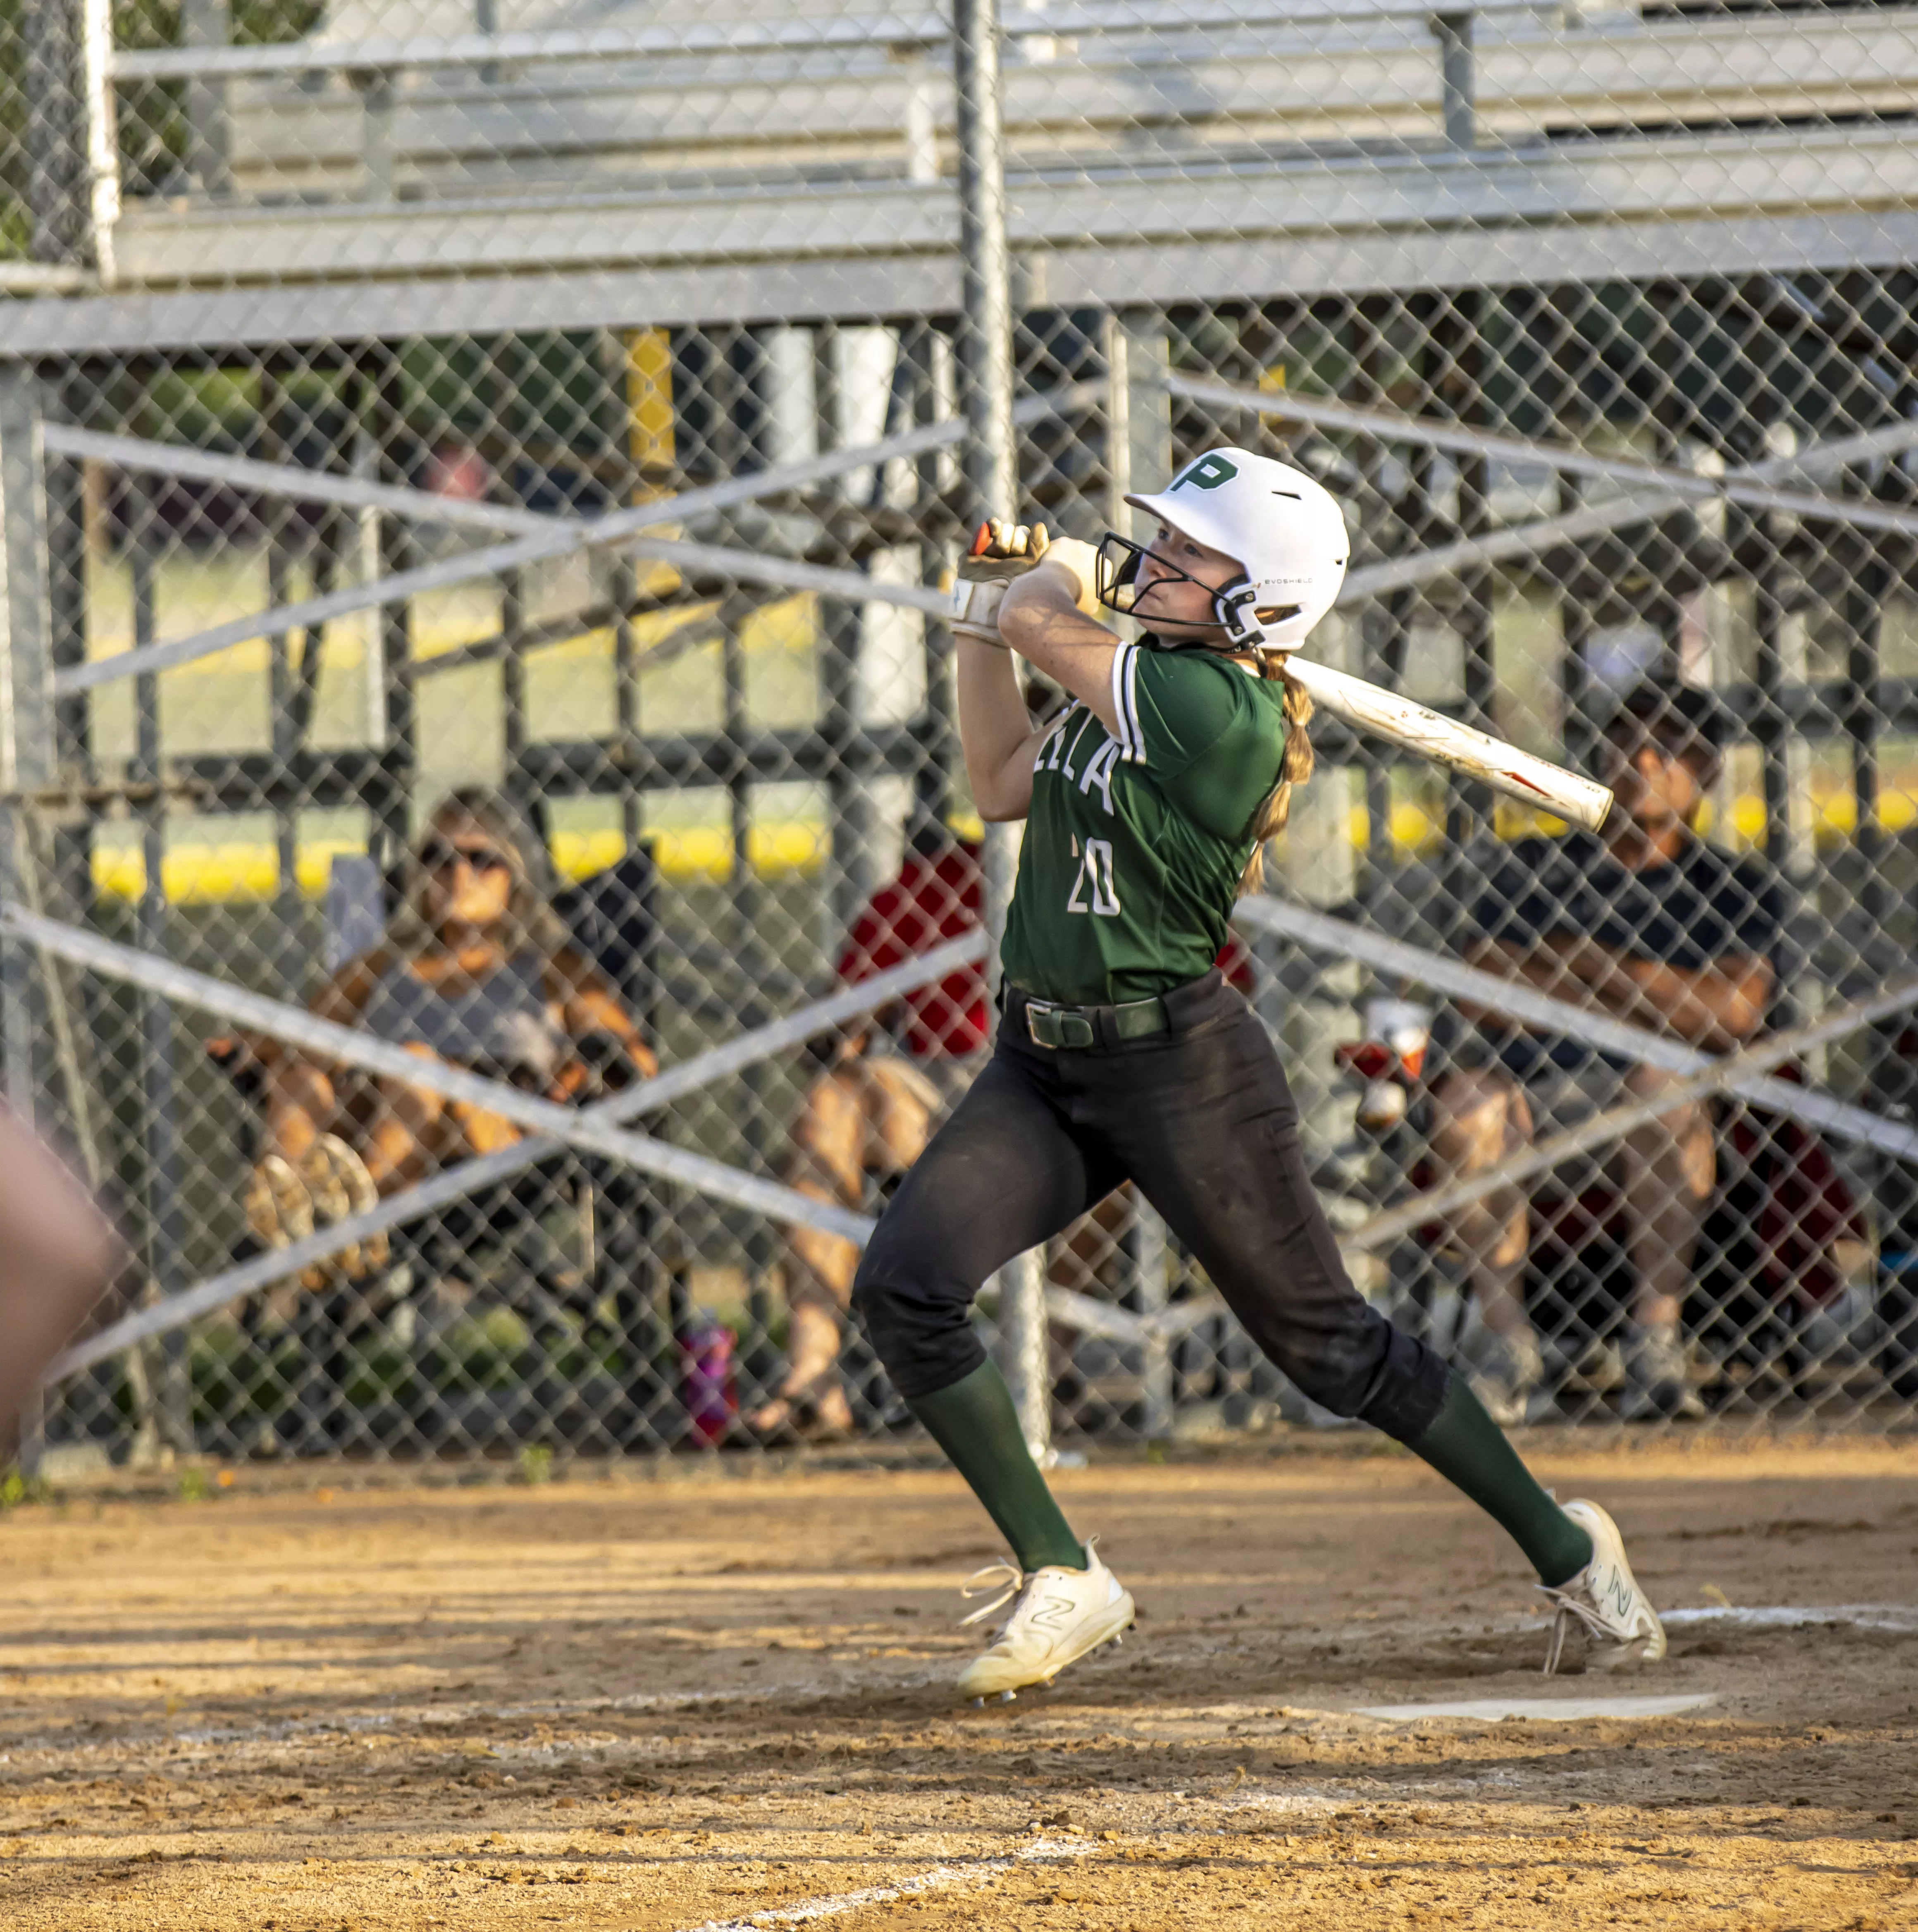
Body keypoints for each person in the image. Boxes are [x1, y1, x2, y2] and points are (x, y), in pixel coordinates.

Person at [849, 446, 1666, 1702]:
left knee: (1328, 1349)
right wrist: (981, 618)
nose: (1155, 561)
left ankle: (1568, 1548)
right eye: (1158, 545)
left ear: (1262, 599)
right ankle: (1061, 1570)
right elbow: (999, 780)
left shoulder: (1209, 709)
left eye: (1191, 554)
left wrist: (1043, 581)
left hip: (1178, 1068)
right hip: (1042, 1059)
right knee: (906, 1286)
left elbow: (1042, 615)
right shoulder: (1145, 680)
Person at [1426, 680, 1779, 1421]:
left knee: (1662, 1080)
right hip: (1533, 1091)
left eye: (1669, 746)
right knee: (1467, 1103)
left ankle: (1655, 1337)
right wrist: (1656, 995)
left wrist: (1587, 962)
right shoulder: (1535, 869)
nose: (1642, 760)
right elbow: (1483, 987)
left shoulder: (1730, 886)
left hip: (1653, 1105)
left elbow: (1735, 1011)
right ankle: (1507, 1345)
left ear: (1706, 769)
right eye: (1626, 743)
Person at [234, 787, 657, 1274]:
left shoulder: (550, 965)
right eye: (438, 857)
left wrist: (586, 1073)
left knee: (415, 1062)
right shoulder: (379, 964)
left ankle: (346, 1224)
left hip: (495, 1136)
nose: (457, 874)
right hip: (378, 1113)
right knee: (297, 1076)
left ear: (515, 875)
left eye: (480, 858)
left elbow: (633, 1056)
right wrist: (259, 1048)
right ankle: (289, 1205)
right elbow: (308, 1039)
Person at [749, 818, 990, 1439]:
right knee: (834, 1100)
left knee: (1114, 1100)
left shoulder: (1131, 857)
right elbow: (844, 1023)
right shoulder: (936, 882)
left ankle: (1056, 1373)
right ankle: (812, 1373)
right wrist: (838, 1031)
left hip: (1072, 1066)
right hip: (943, 1078)